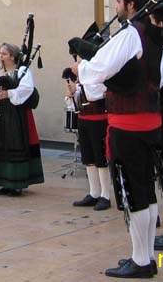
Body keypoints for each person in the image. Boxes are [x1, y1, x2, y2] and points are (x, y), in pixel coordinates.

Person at [77, 0, 163, 278]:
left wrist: (85, 64)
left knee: (134, 193)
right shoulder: (154, 33)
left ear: (129, 5)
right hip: (151, 121)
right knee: (147, 191)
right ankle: (147, 256)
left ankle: (140, 261)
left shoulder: (131, 34)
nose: (115, 8)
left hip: (128, 126)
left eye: (117, 3)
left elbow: (97, 69)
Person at [0, 42, 44, 196]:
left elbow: (27, 89)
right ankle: (3, 181)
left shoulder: (22, 70)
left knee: (14, 143)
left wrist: (9, 94)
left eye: (4, 54)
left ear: (13, 56)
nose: (0, 56)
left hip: (15, 113)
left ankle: (17, 182)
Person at [66, 25, 111, 211]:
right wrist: (73, 93)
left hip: (99, 118)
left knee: (100, 157)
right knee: (88, 157)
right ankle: (93, 192)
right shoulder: (85, 70)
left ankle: (105, 195)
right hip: (84, 118)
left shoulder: (99, 69)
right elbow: (82, 96)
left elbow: (96, 93)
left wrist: (80, 84)